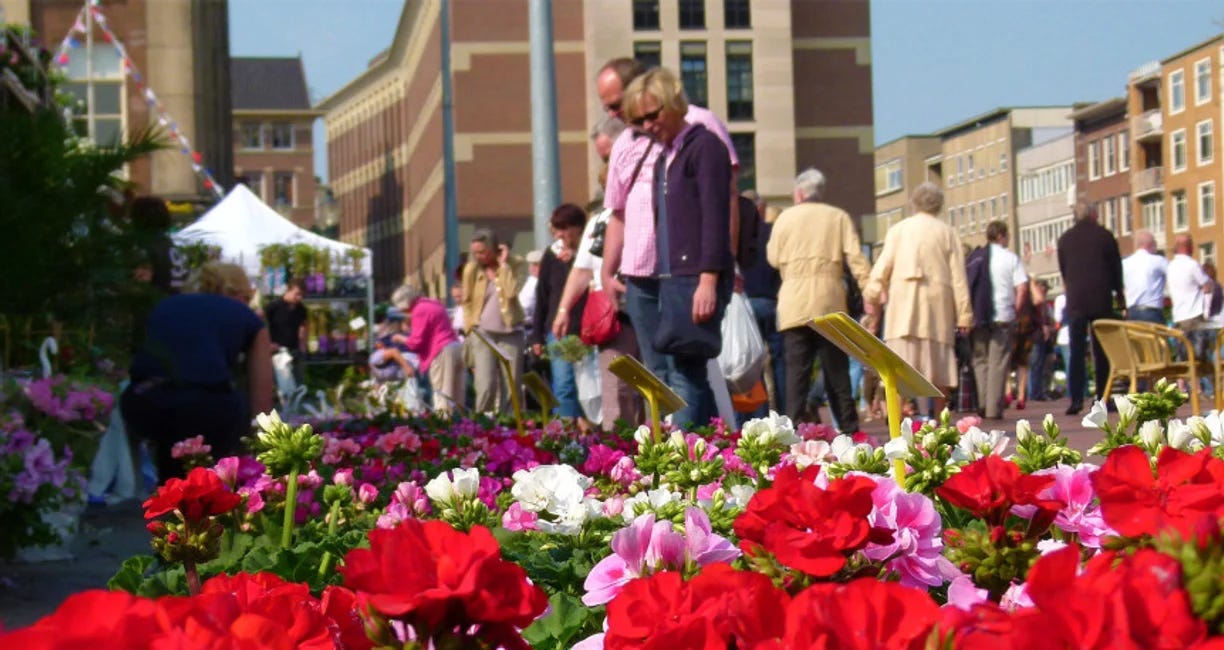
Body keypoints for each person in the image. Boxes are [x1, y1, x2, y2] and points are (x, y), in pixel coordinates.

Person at [595, 58, 740, 420]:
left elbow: (719, 209)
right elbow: (619, 212)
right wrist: (607, 270)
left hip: (685, 273)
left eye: (650, 116)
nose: (643, 125)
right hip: (651, 272)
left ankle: (689, 456)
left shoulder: (700, 140)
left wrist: (714, 274)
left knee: (686, 371)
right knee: (659, 373)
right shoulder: (650, 146)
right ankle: (675, 452)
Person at [121, 262, 273, 483]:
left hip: (144, 402)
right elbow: (262, 397)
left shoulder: (167, 305)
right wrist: (262, 443)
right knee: (214, 464)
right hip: (209, 410)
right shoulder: (246, 316)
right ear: (237, 292)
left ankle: (170, 494)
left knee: (172, 461)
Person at [552, 116, 645, 429]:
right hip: (614, 317)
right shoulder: (599, 221)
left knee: (655, 389)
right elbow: (582, 269)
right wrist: (564, 309)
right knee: (616, 386)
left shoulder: (649, 204)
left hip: (651, 308)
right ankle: (621, 456)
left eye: (609, 156)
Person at [766, 168, 871, 431]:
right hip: (830, 301)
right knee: (837, 375)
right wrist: (870, 293)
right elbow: (857, 259)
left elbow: (773, 258)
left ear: (799, 193)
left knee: (796, 377)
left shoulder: (785, 218)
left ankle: (791, 432)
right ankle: (849, 431)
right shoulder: (838, 217)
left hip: (794, 303)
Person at [864, 183, 973, 416]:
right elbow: (959, 278)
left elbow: (882, 266)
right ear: (939, 205)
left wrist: (872, 293)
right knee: (939, 371)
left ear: (913, 202)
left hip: (903, 307)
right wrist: (964, 313)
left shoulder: (898, 229)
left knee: (897, 369)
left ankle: (897, 422)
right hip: (938, 309)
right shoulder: (948, 232)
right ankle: (941, 425)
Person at [1056, 201, 1124, 415]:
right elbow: (1116, 268)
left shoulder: (1065, 239)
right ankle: (1102, 397)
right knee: (1101, 350)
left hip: (1076, 300)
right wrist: (1119, 294)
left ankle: (1076, 399)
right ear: (1094, 215)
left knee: (1076, 351)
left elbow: (1064, 270)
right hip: (1100, 299)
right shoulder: (1105, 236)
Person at [531, 204, 589, 421]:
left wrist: (574, 258)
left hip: (588, 329)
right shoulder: (551, 255)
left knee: (589, 388)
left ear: (578, 228)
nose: (560, 235)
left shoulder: (590, 249)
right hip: (559, 331)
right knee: (563, 386)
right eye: (557, 230)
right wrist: (537, 335)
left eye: (565, 229)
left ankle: (594, 436)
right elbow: (542, 296)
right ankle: (565, 439)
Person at [461, 229, 528, 413]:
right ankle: (482, 425)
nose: (478, 256)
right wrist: (470, 327)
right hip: (482, 335)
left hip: (510, 332)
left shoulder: (515, 265)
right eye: (475, 253)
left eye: (483, 252)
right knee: (485, 384)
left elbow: (512, 293)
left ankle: (511, 425)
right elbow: (466, 302)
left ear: (494, 248)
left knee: (512, 384)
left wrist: (504, 266)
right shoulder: (471, 270)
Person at [970, 221, 1028, 419]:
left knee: (980, 360)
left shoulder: (976, 257)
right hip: (1002, 315)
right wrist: (1016, 311)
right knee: (998, 362)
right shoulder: (1011, 258)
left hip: (978, 316)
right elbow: (1021, 288)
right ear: (1002, 235)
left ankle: (982, 403)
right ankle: (993, 409)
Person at [739, 189, 785, 418]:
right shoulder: (772, 233)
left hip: (746, 305)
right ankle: (785, 413)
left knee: (750, 362)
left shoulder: (736, 235)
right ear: (761, 209)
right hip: (772, 302)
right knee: (780, 362)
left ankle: (758, 415)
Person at [392, 284, 466, 413]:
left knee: (443, 394)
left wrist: (400, 338)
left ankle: (445, 427)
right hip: (456, 347)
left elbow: (416, 342)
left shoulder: (419, 310)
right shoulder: (434, 304)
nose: (404, 312)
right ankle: (461, 426)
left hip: (441, 351)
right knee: (457, 394)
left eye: (403, 310)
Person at [1168, 233, 1214, 362]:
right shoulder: (1192, 265)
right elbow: (1208, 285)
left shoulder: (1171, 266)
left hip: (1179, 318)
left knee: (1184, 359)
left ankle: (1189, 382)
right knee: (1202, 360)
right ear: (1188, 248)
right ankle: (1214, 381)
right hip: (1194, 317)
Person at [263, 278, 308, 386]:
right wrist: (268, 344)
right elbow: (262, 325)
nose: (299, 298)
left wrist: (303, 346)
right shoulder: (273, 307)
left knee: (298, 383)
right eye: (297, 294)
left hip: (295, 351)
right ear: (288, 290)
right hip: (278, 352)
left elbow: (303, 326)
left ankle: (297, 401)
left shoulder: (301, 309)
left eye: (302, 295)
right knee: (281, 384)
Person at [1122, 229, 1168, 325]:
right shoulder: (1158, 261)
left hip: (1132, 313)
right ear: (1150, 244)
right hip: (1152, 312)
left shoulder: (1125, 263)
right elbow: (1175, 275)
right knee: (1158, 340)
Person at [1025, 279, 1055, 402]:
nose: (1045, 291)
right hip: (1033, 336)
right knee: (1034, 366)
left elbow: (1051, 320)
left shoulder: (1045, 305)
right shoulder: (1033, 301)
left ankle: (1038, 392)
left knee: (1040, 367)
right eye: (1043, 288)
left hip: (1042, 338)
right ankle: (1033, 394)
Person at [369, 308, 416, 382]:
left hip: (412, 360)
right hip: (413, 362)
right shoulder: (378, 361)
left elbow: (394, 351)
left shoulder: (376, 359)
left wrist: (406, 367)